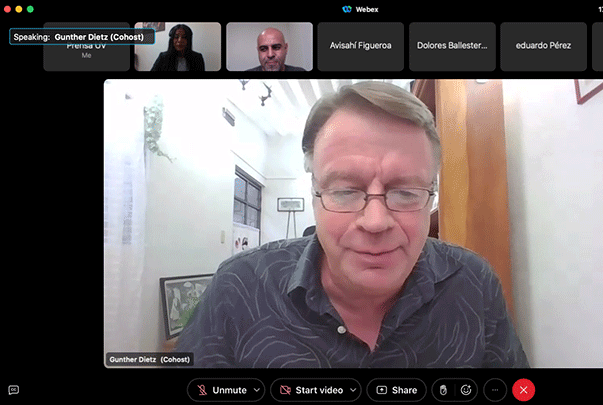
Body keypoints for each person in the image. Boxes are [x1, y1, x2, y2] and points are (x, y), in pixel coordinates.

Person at [174, 81, 529, 368]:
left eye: (406, 193)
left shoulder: (474, 285)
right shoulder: (239, 288)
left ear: (431, 194)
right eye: (345, 191)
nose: (375, 222)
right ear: (315, 195)